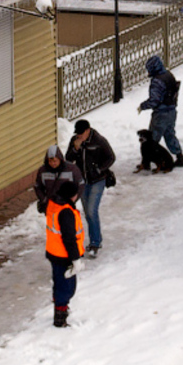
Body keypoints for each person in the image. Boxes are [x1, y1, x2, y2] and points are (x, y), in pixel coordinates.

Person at [66, 120, 115, 257]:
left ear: (88, 130)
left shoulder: (99, 140)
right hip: (82, 182)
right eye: (77, 133)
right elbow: (68, 160)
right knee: (88, 212)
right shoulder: (75, 141)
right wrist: (75, 149)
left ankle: (95, 243)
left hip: (97, 181)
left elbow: (111, 157)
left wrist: (99, 169)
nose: (79, 136)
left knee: (92, 211)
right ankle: (96, 238)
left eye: (81, 133)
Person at [45, 182, 85, 328]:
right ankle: (60, 318)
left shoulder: (55, 204)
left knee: (59, 283)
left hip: (54, 252)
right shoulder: (66, 212)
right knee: (67, 288)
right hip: (64, 256)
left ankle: (59, 309)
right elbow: (69, 238)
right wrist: (75, 259)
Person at [137, 55, 183, 167]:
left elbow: (154, 100)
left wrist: (142, 106)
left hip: (161, 114)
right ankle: (180, 157)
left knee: (151, 139)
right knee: (170, 134)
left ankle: (146, 162)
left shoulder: (157, 81)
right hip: (172, 112)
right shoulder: (169, 75)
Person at [34, 145, 83, 215]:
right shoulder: (42, 171)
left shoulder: (72, 169)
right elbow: (38, 186)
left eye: (55, 161)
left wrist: (73, 199)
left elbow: (80, 185)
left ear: (60, 159)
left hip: (66, 206)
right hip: (51, 206)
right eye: (50, 161)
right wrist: (44, 199)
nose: (53, 163)